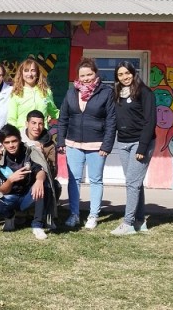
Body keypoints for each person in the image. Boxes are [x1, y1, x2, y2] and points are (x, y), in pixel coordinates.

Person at [57, 57, 116, 229]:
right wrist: (61, 140)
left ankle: (93, 216)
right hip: (73, 144)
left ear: (95, 74)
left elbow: (112, 120)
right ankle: (74, 214)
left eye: (89, 74)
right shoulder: (71, 92)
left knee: (96, 180)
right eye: (82, 75)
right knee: (74, 180)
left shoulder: (106, 92)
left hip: (96, 145)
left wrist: (107, 145)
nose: (86, 78)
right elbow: (63, 118)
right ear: (78, 76)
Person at [0, 124, 57, 240]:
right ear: (2, 144)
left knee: (44, 184)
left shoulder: (29, 153)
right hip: (8, 198)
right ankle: (10, 216)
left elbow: (40, 170)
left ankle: (37, 225)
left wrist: (39, 180)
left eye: (14, 141)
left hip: (27, 197)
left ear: (20, 139)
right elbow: (3, 190)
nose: (11, 145)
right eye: (7, 142)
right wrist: (11, 179)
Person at [110, 61, 156, 235]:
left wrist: (142, 147)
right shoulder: (117, 93)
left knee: (131, 183)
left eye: (127, 73)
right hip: (122, 143)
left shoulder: (145, 92)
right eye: (120, 74)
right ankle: (140, 221)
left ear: (133, 73)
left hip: (140, 143)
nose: (124, 77)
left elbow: (150, 121)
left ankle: (128, 223)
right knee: (135, 183)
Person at [7, 58, 59, 132]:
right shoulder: (16, 93)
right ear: (21, 73)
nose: (29, 74)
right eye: (26, 71)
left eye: (33, 70)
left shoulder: (46, 92)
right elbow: (11, 119)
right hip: (22, 136)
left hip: (42, 135)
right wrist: (16, 136)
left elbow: (54, 112)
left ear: (37, 72)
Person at [22, 110, 60, 199]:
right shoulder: (17, 139)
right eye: (33, 123)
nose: (37, 127)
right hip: (21, 179)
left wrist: (42, 156)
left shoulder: (49, 145)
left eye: (40, 124)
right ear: (27, 124)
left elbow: (53, 172)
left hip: (40, 179)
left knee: (55, 185)